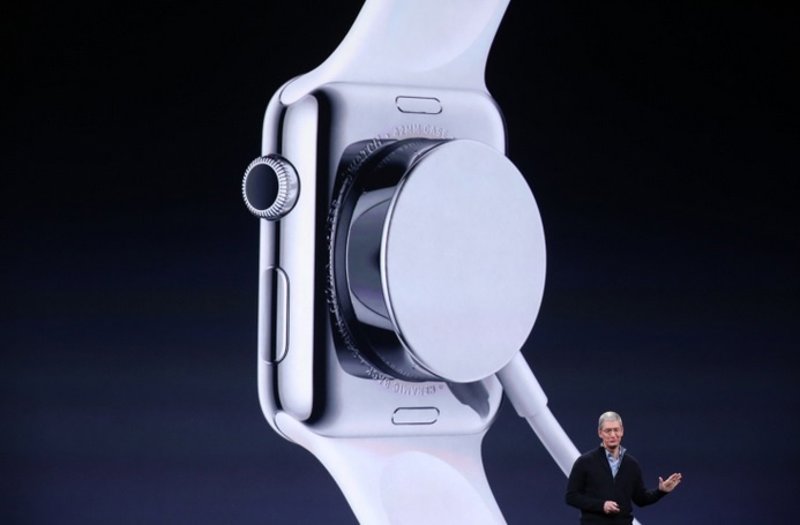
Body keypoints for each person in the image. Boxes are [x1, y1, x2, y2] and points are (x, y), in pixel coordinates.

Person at [565, 411, 682, 524]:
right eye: (608, 431)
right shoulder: (585, 462)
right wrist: (601, 505)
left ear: (622, 431)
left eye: (616, 430)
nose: (613, 435)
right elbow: (571, 497)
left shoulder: (631, 464)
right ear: (600, 433)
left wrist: (661, 491)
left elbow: (641, 499)